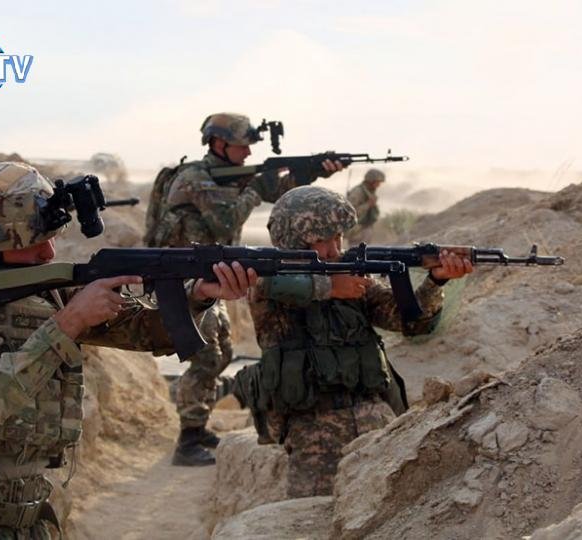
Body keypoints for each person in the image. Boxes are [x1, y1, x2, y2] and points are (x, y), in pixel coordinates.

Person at [0, 162, 256, 539]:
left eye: (49, 238)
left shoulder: (42, 285)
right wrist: (70, 321)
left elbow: (141, 332)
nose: (49, 253)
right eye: (34, 243)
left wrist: (197, 296)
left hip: (25, 508)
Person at [145, 113, 345, 466]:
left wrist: (311, 172)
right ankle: (187, 441)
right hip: (183, 278)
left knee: (222, 352)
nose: (249, 153)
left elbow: (278, 193)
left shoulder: (229, 176)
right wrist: (255, 189)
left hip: (209, 276)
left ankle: (197, 426)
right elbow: (225, 221)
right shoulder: (195, 178)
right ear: (219, 144)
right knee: (206, 355)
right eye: (242, 146)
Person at [250, 185, 472, 498]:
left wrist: (436, 280)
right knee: (317, 515)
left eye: (338, 237)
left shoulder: (351, 274)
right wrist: (330, 287)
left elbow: (409, 322)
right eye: (321, 240)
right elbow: (265, 283)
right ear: (292, 241)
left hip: (378, 422)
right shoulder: (267, 280)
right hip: (314, 436)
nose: (334, 249)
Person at [345, 168, 385, 245]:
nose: (379, 185)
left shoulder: (369, 192)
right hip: (357, 232)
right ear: (371, 181)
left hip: (364, 229)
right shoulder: (357, 192)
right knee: (356, 251)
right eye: (377, 182)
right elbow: (350, 212)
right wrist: (368, 205)